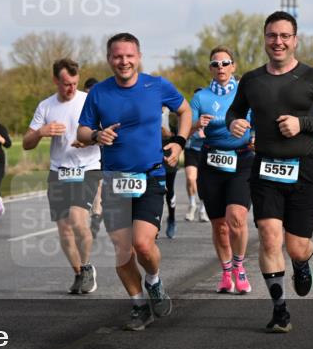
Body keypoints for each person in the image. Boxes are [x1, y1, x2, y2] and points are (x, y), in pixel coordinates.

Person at [226, 12, 313, 333]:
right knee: (268, 237)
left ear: (295, 40)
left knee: (296, 246)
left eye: (284, 36)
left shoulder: (312, 77)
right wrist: (234, 123)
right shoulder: (252, 80)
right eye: (271, 36)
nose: (277, 42)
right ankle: (280, 311)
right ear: (264, 39)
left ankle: (302, 262)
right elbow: (234, 111)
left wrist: (301, 124)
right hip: (265, 169)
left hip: (303, 169)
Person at [77, 33, 191, 331]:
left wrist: (179, 142)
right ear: (109, 59)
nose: (123, 61)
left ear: (138, 57)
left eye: (129, 55)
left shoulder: (157, 86)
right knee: (122, 248)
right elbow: (82, 131)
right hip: (114, 179)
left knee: (142, 243)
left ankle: (153, 281)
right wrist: (96, 135)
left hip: (150, 176)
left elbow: (185, 110)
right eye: (117, 56)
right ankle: (139, 304)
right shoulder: (99, 93)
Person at [23, 59, 101, 294]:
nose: (71, 88)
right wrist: (41, 132)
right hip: (59, 171)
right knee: (64, 229)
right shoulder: (46, 106)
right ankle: (78, 273)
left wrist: (89, 139)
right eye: (67, 84)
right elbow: (27, 143)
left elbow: (106, 132)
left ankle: (87, 268)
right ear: (55, 80)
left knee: (78, 219)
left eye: (75, 83)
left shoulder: (89, 101)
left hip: (87, 167)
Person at [190, 47, 254, 294]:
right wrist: (197, 124)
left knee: (236, 217)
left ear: (233, 66)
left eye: (225, 63)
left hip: (241, 159)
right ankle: (226, 272)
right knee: (220, 225)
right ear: (210, 68)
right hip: (211, 161)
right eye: (216, 64)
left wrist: (255, 135)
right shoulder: (200, 97)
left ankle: (239, 266)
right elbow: (188, 128)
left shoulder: (245, 93)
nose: (221, 68)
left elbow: (258, 120)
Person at [82, 77, 104, 238]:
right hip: (81, 155)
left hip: (101, 152)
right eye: (86, 93)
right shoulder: (80, 107)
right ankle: (95, 212)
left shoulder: (103, 106)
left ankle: (96, 214)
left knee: (98, 185)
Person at [183, 87, 207, 222]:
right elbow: (183, 131)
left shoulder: (211, 114)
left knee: (203, 182)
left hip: (205, 150)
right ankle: (192, 204)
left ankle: (203, 208)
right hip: (191, 149)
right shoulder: (189, 114)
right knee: (191, 179)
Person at [161, 108, 179, 239]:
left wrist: (168, 134)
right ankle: (153, 224)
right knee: (153, 191)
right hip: (151, 155)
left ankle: (172, 218)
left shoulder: (172, 114)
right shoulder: (147, 107)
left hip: (169, 155)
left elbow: (179, 135)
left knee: (169, 190)